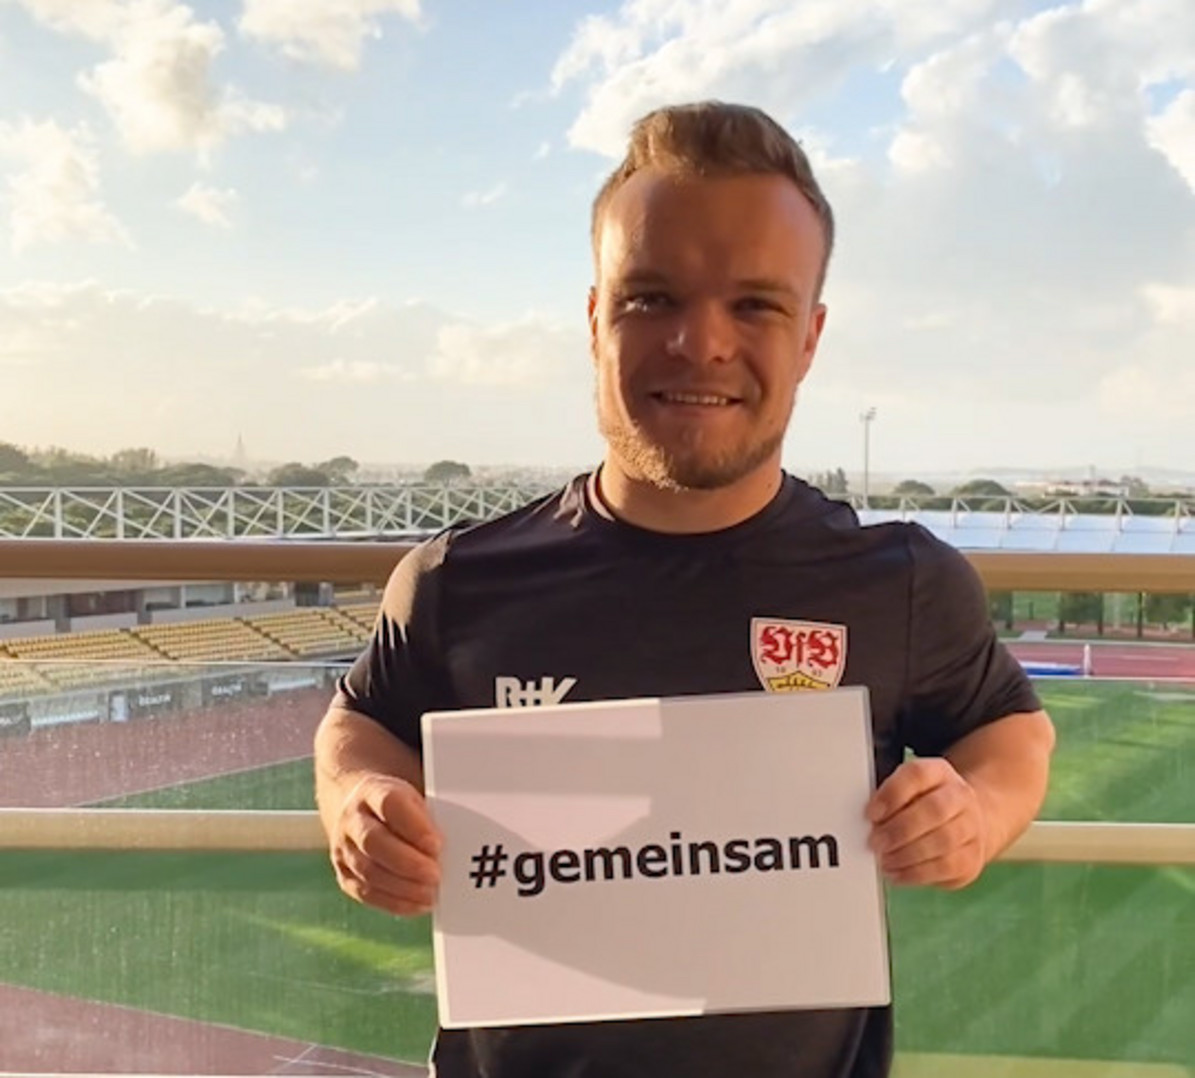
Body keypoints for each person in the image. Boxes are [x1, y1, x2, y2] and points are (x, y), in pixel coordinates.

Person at [314, 100, 1055, 1077]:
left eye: (754, 304)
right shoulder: (458, 582)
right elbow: (359, 722)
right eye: (650, 297)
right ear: (594, 319)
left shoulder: (902, 582)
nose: (699, 342)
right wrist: (359, 801)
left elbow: (1011, 731)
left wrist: (976, 811)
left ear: (810, 337)